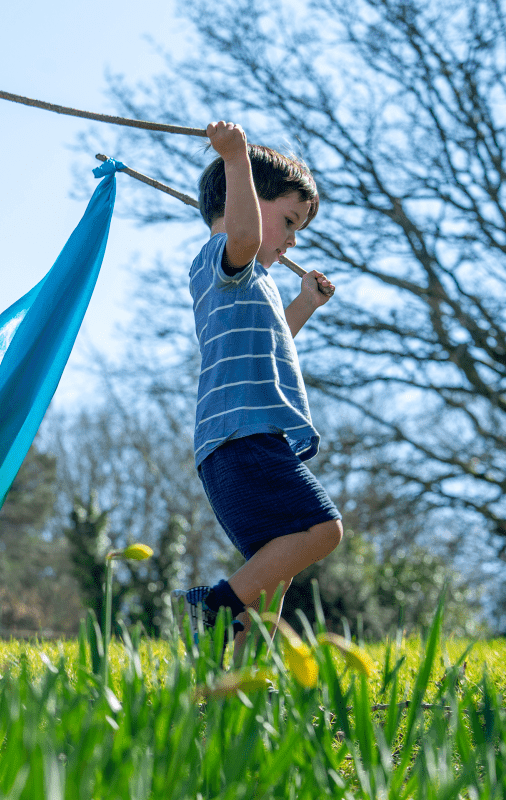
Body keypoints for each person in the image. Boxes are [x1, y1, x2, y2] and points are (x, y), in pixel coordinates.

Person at [173, 120, 343, 662]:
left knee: (274, 574)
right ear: (245, 199)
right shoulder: (223, 257)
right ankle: (215, 605)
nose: (293, 240)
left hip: (237, 440)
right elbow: (244, 234)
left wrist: (306, 306)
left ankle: (233, 686)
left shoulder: (255, 283)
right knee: (322, 530)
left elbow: (274, 343)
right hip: (242, 434)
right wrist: (235, 157)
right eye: (289, 221)